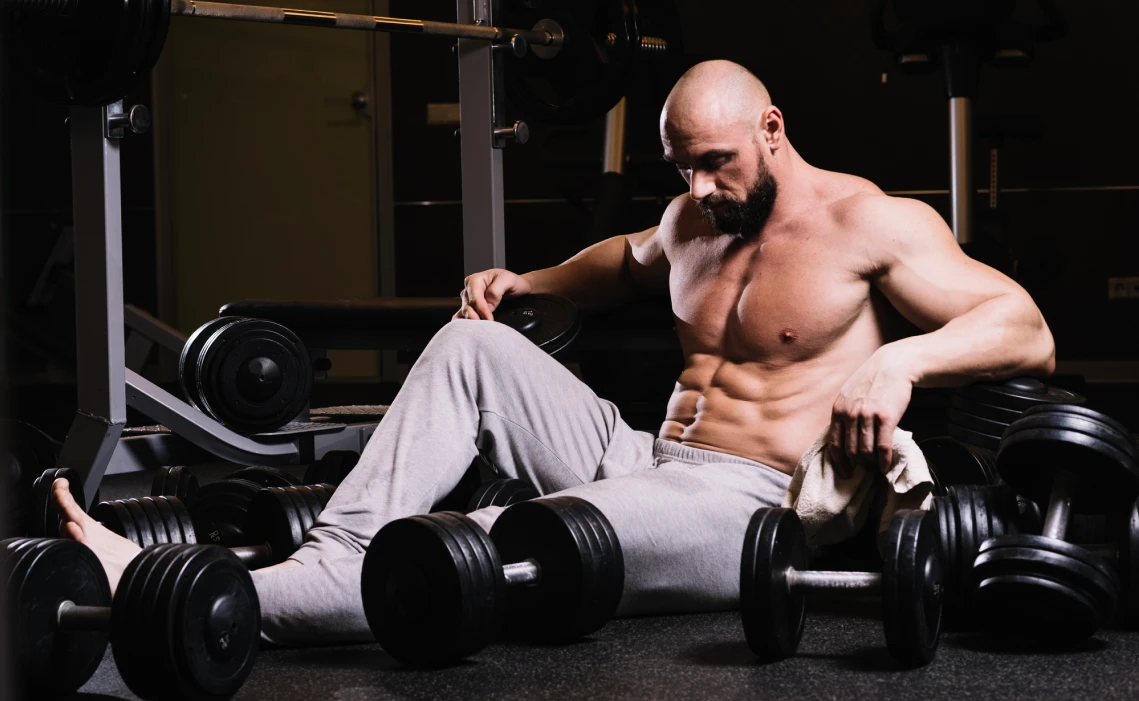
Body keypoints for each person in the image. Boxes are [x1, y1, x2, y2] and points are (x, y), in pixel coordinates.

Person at [50, 60, 1055, 644]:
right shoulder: (690, 218)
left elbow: (1024, 327)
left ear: (772, 130)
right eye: (682, 169)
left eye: (716, 164)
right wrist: (526, 280)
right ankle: (334, 556)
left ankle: (188, 590)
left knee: (477, 545)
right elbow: (621, 260)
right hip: (641, 457)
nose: (699, 190)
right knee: (470, 345)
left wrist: (898, 363)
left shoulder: (869, 222)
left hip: (746, 502)